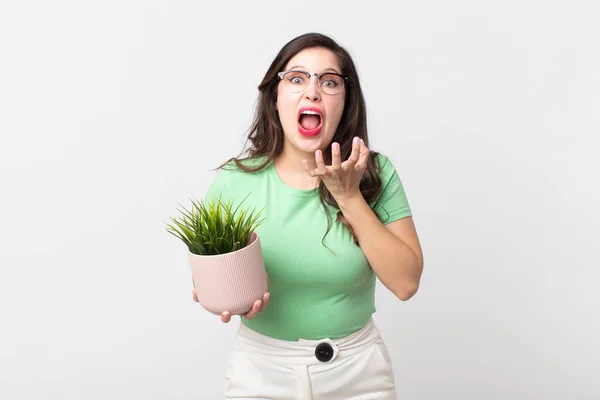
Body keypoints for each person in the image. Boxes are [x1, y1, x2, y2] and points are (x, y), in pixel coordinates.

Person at [192, 32, 424, 399]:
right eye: (296, 79)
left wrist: (348, 196)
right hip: (261, 372)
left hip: (358, 373)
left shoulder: (374, 174)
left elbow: (406, 283)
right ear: (275, 98)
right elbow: (215, 274)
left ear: (346, 103)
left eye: (329, 81)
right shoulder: (235, 181)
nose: (312, 91)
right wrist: (222, 296)